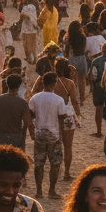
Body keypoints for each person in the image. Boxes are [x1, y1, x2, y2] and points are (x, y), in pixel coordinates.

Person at [29, 70, 67, 199]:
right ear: (54, 84)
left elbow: (31, 115)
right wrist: (61, 135)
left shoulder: (35, 98)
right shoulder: (59, 100)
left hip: (39, 133)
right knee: (55, 163)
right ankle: (51, 190)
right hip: (54, 134)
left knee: (39, 163)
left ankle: (39, 191)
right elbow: (61, 117)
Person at [0, 73, 33, 150]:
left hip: (0, 136)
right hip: (16, 137)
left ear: (7, 84)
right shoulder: (23, 103)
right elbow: (27, 123)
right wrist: (23, 137)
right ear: (19, 86)